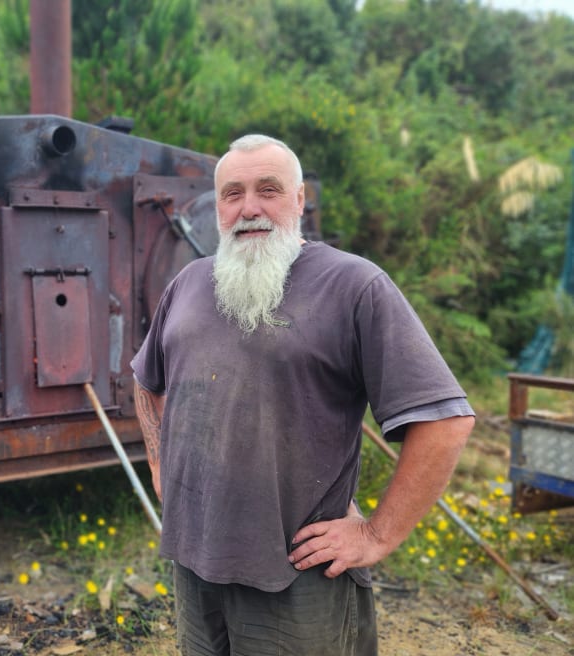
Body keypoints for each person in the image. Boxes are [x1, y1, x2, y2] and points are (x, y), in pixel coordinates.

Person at [131, 134, 475, 656]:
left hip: (296, 575)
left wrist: (378, 535)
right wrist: (159, 464)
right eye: (232, 193)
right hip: (194, 562)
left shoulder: (355, 285)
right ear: (217, 207)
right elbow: (146, 379)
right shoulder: (190, 283)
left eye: (268, 190)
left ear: (298, 200)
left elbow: (444, 422)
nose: (249, 208)